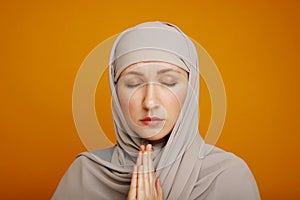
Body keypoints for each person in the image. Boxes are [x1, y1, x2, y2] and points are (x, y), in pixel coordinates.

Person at [52, 21, 261, 200]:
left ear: (191, 90)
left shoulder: (228, 177)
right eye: (133, 84)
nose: (150, 101)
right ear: (115, 94)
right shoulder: (85, 175)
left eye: (169, 82)